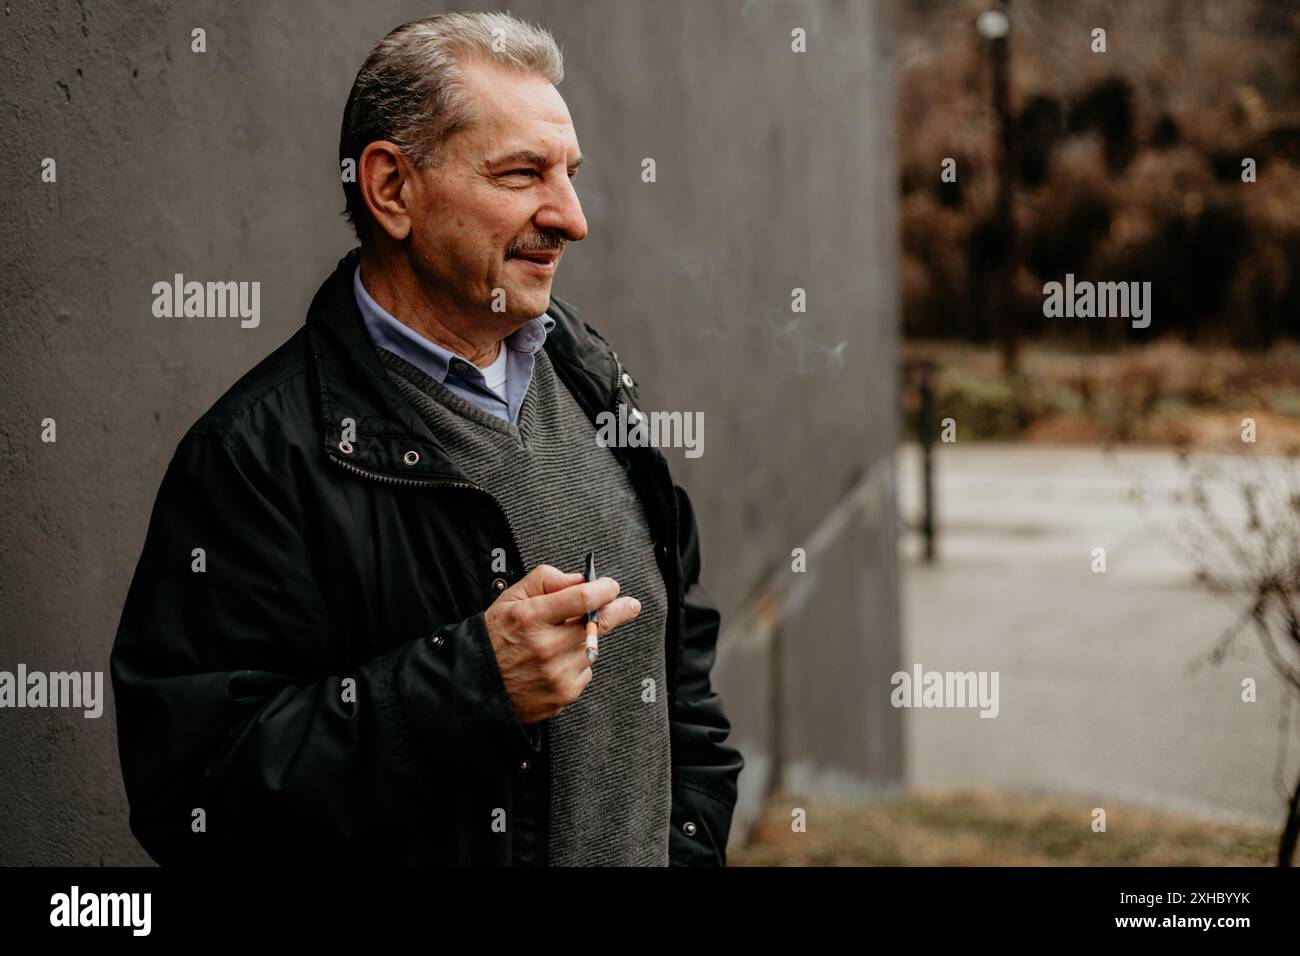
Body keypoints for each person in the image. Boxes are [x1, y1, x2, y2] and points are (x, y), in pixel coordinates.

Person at [110, 10, 743, 866]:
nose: (571, 218)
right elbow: (194, 792)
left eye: (569, 174)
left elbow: (681, 661)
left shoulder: (591, 382)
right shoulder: (255, 458)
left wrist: (690, 840)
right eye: (523, 174)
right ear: (392, 190)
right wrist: (471, 685)